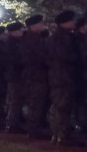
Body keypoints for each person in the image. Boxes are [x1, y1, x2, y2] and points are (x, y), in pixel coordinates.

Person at [48, 10, 79, 144]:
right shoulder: (60, 38)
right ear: (63, 23)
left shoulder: (64, 36)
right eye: (71, 20)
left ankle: (59, 133)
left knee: (62, 105)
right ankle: (60, 134)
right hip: (62, 75)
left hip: (61, 75)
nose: (74, 22)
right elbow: (63, 56)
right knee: (61, 105)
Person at [21, 14, 50, 139]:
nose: (42, 25)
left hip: (37, 74)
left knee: (38, 102)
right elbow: (39, 57)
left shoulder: (34, 38)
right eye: (40, 23)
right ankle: (33, 131)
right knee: (35, 103)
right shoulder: (31, 40)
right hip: (35, 75)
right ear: (33, 26)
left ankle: (35, 129)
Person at [4, 21, 25, 133]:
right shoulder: (11, 44)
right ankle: (12, 124)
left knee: (16, 100)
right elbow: (14, 60)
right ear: (13, 32)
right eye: (20, 29)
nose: (22, 31)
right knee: (15, 100)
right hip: (15, 74)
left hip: (17, 74)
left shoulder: (16, 42)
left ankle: (14, 122)